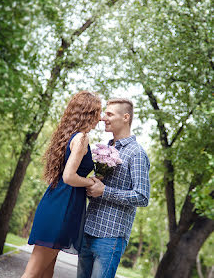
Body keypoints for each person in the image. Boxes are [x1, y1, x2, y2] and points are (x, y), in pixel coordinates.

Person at [21, 90, 101, 278]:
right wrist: (90, 181)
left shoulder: (69, 136)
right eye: (98, 112)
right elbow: (69, 177)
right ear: (88, 113)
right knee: (32, 273)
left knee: (47, 271)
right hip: (62, 209)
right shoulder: (81, 138)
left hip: (59, 204)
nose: (100, 118)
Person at [77, 98, 150, 278]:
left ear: (126, 117)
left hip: (110, 237)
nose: (103, 118)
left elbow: (142, 196)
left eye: (109, 114)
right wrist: (92, 186)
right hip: (88, 230)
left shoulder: (137, 153)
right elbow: (99, 187)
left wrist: (105, 191)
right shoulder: (105, 148)